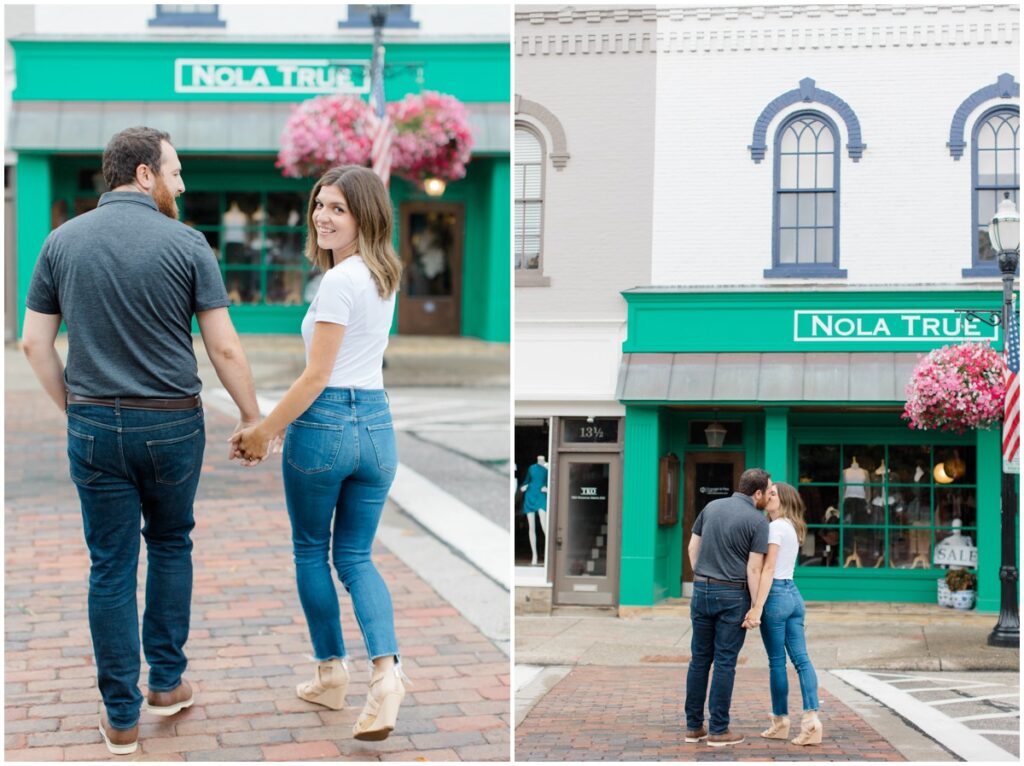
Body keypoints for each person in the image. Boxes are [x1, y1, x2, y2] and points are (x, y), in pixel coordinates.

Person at [21, 126, 261, 755]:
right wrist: (253, 415)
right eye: (176, 172)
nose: (183, 185)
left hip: (95, 422)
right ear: (145, 174)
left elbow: (33, 343)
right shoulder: (188, 243)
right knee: (172, 545)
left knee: (110, 566)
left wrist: (74, 409)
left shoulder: (59, 242)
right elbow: (225, 345)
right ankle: (167, 684)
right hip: (173, 425)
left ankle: (120, 718)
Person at [230, 165, 407, 741]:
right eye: (319, 205)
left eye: (338, 209)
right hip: (377, 426)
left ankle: (332, 673)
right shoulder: (385, 274)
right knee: (355, 557)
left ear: (365, 216)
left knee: (312, 551)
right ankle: (387, 674)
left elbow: (316, 376)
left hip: (326, 423)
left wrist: (264, 431)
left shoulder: (337, 282)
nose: (323, 217)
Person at [684, 468, 771, 747]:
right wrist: (757, 606)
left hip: (701, 589)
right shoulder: (758, 521)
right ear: (756, 493)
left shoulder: (711, 507)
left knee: (699, 659)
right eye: (767, 492)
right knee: (724, 662)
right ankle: (719, 730)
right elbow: (754, 569)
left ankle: (694, 727)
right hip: (733, 594)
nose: (768, 496)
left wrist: (701, 577)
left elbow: (691, 548)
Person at [743, 481, 823, 746]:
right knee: (802, 660)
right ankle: (811, 720)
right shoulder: (792, 526)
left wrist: (756, 607)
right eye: (768, 492)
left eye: (774, 494)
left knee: (777, 662)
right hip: (793, 595)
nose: (769, 496)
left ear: (784, 499)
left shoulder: (775, 527)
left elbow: (767, 569)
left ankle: (780, 722)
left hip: (776, 595)